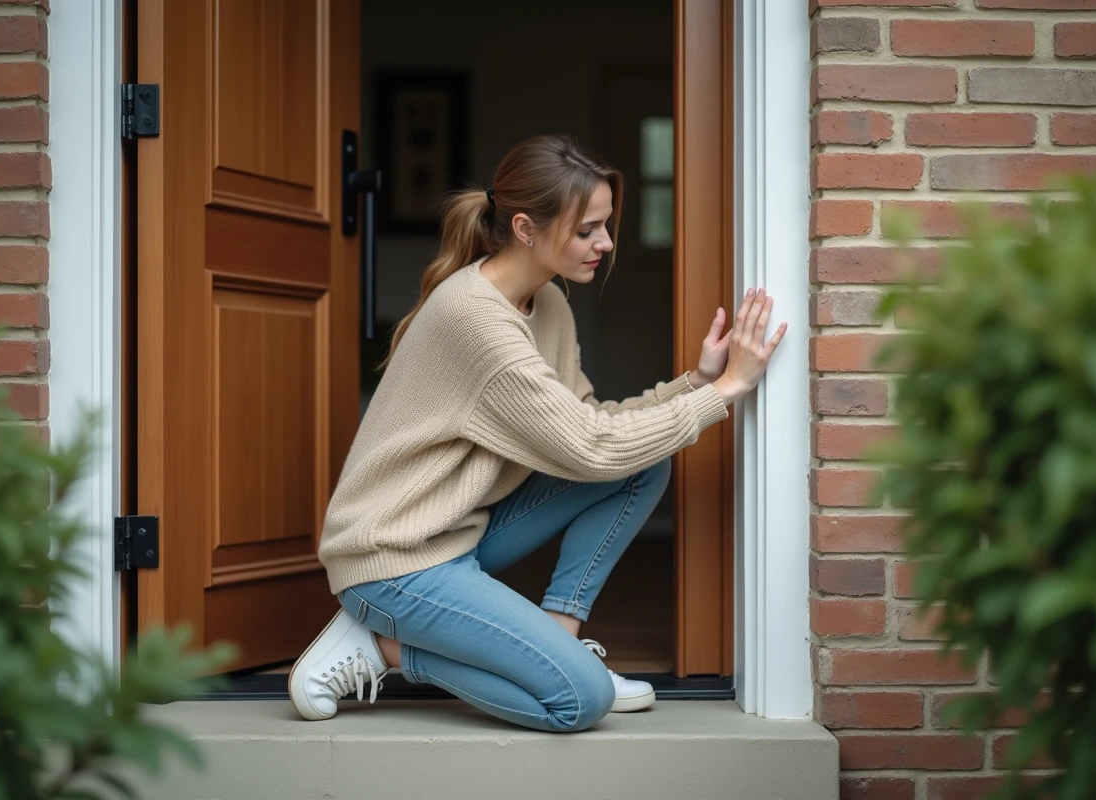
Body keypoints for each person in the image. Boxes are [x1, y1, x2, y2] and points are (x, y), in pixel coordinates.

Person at [288, 134, 787, 732]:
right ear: (526, 228)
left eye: (606, 225)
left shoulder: (545, 299)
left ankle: (560, 635)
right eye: (587, 231)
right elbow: (590, 447)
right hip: (393, 559)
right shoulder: (475, 319)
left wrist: (695, 382)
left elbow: (590, 426)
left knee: (645, 461)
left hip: (456, 529)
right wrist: (727, 389)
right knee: (579, 701)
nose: (605, 243)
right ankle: (384, 648)